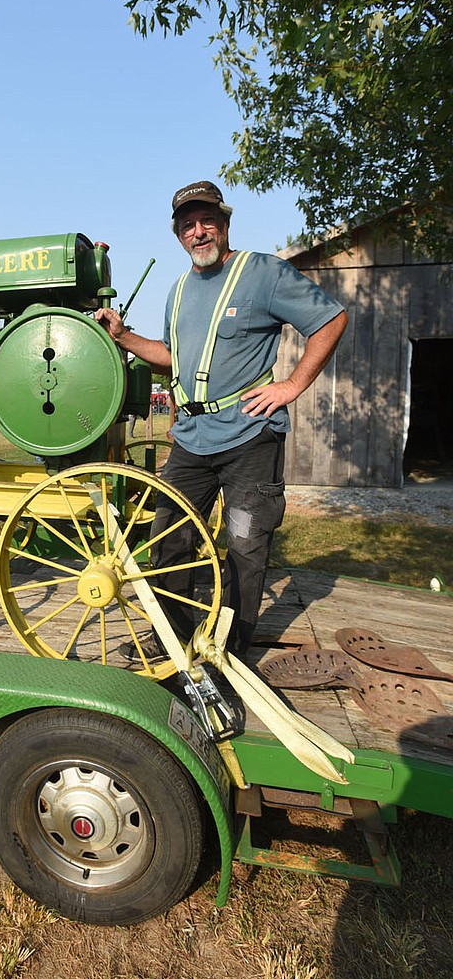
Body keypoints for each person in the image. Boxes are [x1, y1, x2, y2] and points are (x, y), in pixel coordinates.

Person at [97, 181, 347, 656]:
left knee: (245, 546)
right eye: (188, 225)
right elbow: (173, 357)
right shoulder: (178, 291)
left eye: (207, 221)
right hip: (192, 438)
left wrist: (292, 385)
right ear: (178, 235)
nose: (199, 232)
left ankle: (226, 652)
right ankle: (171, 638)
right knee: (168, 538)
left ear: (225, 224)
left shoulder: (263, 273)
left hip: (249, 435)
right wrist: (124, 336)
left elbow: (330, 320)